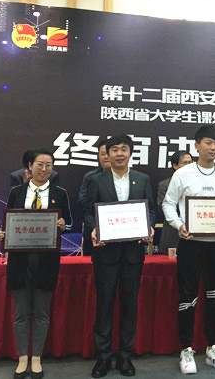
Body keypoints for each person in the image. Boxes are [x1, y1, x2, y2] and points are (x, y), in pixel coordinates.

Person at [162, 124, 215, 374]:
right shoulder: (183, 174)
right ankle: (186, 348)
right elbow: (168, 204)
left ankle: (212, 347)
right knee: (187, 298)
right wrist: (179, 225)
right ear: (197, 146)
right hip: (190, 245)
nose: (213, 148)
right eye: (208, 143)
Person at [84, 135, 155, 378]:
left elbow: (151, 209)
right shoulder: (97, 180)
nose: (119, 154)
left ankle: (125, 356)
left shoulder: (142, 179)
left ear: (130, 153)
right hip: (106, 253)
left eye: (124, 149)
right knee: (104, 304)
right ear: (107, 154)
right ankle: (103, 357)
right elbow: (88, 211)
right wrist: (94, 228)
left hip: (133, 253)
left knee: (129, 304)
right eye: (114, 150)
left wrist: (149, 226)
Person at [0, 149, 72, 379]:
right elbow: (8, 221)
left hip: (46, 261)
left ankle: (36, 357)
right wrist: (3, 234)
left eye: (49, 165)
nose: (44, 169)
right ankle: (22, 358)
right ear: (30, 166)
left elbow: (69, 223)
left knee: (41, 312)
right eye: (40, 164)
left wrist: (62, 225)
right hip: (20, 260)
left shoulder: (60, 193)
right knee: (21, 313)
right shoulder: (16, 192)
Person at [79, 137, 111, 256]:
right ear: (98, 156)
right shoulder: (90, 177)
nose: (106, 157)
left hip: (117, 228)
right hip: (93, 228)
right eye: (103, 154)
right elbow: (82, 200)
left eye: (109, 153)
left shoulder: (127, 177)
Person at [157, 150, 194, 254]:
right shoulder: (164, 184)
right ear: (175, 165)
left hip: (194, 233)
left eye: (191, 163)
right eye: (185, 163)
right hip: (172, 234)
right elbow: (161, 208)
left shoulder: (198, 183)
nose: (189, 166)